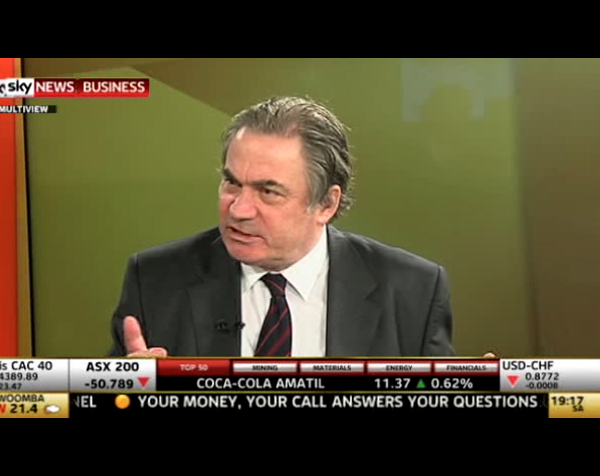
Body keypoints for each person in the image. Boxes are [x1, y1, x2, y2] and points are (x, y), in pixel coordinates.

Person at [110, 96, 456, 358]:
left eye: (268, 191)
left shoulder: (413, 292)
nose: (239, 210)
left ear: (326, 204)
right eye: (232, 183)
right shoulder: (154, 281)